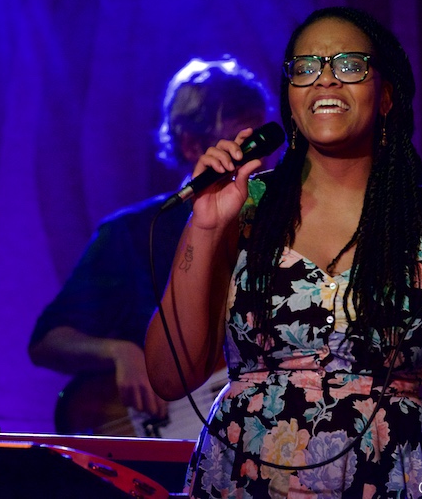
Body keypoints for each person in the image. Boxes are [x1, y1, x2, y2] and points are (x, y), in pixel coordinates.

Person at [144, 7, 422, 497]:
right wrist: (205, 227)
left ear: (386, 96)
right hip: (243, 478)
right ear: (290, 97)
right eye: (305, 67)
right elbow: (169, 377)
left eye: (349, 65)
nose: (325, 79)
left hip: (385, 477)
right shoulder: (242, 209)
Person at [28, 57, 271, 436]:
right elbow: (47, 341)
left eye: (261, 142)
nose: (258, 157)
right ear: (191, 144)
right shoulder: (133, 233)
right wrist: (119, 351)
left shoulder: (282, 225)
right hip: (164, 437)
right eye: (241, 142)